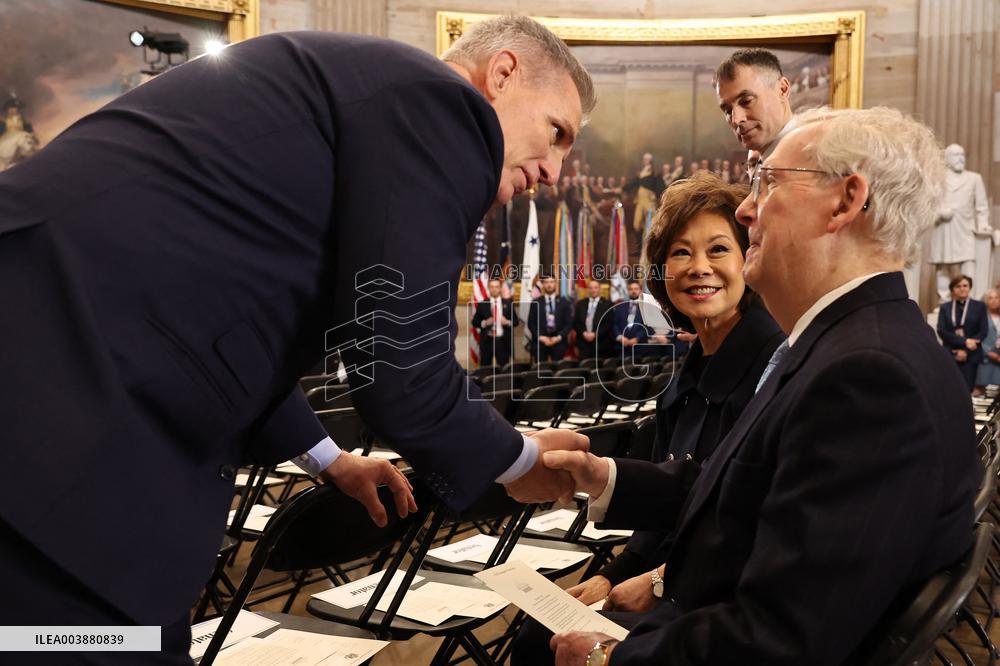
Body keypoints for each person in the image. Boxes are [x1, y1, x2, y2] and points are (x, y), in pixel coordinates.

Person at [0, 17, 594, 661]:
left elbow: (228, 319)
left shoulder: (367, 96)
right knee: (100, 643)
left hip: (66, 383)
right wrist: (518, 463)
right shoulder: (442, 102)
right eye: (555, 132)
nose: (555, 170)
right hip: (64, 407)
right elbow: (400, 359)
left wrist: (329, 459)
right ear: (502, 75)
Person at [537, 107, 981, 665]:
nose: (747, 208)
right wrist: (602, 474)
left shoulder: (868, 376)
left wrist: (610, 658)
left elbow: (781, 639)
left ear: (846, 201)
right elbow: (743, 490)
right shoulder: (852, 345)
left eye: (767, 183)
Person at [522, 173, 783, 638]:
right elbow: (667, 504)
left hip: (728, 599)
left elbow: (750, 514)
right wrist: (613, 574)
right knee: (539, 630)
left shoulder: (774, 362)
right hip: (671, 576)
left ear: (750, 259)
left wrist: (661, 582)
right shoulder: (691, 368)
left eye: (719, 249)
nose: (698, 267)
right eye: (681, 252)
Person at [930, 144, 992, 303]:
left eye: (962, 155)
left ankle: (968, 300)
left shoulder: (974, 178)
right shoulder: (938, 179)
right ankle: (943, 300)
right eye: (956, 155)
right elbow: (928, 204)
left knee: (968, 262)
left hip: (965, 227)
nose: (960, 158)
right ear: (947, 159)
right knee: (943, 266)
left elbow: (982, 206)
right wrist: (939, 213)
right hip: (944, 227)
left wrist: (983, 224)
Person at [715, 48, 795, 171]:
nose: (736, 120)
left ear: (782, 89)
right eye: (727, 111)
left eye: (746, 101)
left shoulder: (820, 158)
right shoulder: (759, 164)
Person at [937, 274, 987, 392]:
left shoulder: (979, 306)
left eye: (965, 285)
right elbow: (942, 330)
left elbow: (983, 331)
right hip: (951, 353)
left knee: (967, 390)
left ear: (970, 287)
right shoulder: (945, 307)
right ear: (952, 289)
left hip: (971, 354)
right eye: (958, 286)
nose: (962, 288)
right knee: (949, 390)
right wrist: (965, 341)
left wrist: (966, 349)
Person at [472, 278, 519, 367]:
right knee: (485, 369)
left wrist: (507, 322)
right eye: (492, 287)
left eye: (496, 287)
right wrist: (485, 322)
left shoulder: (508, 303)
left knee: (503, 370)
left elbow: (516, 322)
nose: (494, 289)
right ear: (489, 288)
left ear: (500, 288)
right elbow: (474, 322)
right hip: (487, 342)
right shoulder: (482, 304)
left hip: (502, 341)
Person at [528, 274, 573, 361]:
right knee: (540, 371)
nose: (549, 285)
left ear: (555, 284)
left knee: (558, 372)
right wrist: (541, 337)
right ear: (543, 284)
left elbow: (569, 324)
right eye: (546, 282)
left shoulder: (565, 302)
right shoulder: (535, 302)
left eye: (552, 282)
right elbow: (531, 323)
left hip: (558, 343)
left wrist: (558, 337)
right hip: (540, 343)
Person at [572, 279, 615, 360]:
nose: (593, 290)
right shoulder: (580, 304)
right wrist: (583, 333)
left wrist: (595, 334)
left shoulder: (608, 304)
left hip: (601, 344)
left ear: (599, 289)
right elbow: (575, 322)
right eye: (591, 288)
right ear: (588, 289)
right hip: (583, 344)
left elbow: (609, 323)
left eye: (595, 288)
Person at [975, 288, 1000, 393]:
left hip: (999, 363)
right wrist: (988, 353)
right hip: (985, 360)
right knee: (983, 394)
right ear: (986, 301)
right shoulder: (981, 317)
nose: (994, 300)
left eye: (997, 298)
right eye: (990, 298)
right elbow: (976, 338)